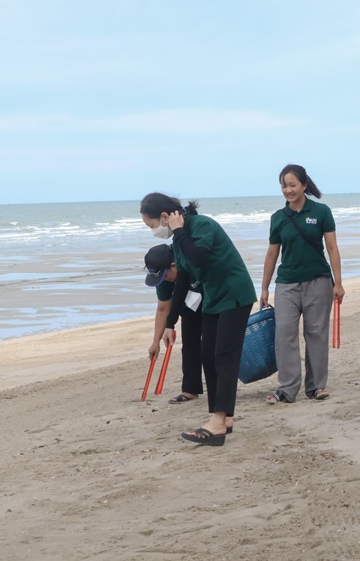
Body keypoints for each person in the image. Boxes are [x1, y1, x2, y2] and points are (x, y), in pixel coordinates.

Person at [140, 193, 257, 446]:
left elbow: (199, 258)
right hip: (214, 298)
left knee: (224, 355)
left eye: (151, 225)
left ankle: (218, 419)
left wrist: (179, 232)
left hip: (235, 293)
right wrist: (170, 324)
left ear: (165, 217)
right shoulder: (177, 240)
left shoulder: (202, 225)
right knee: (207, 355)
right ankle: (224, 419)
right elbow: (182, 281)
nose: (153, 231)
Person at [260, 165, 344, 404]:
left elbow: (332, 248)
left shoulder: (321, 212)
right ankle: (287, 389)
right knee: (284, 333)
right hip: (286, 284)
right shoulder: (278, 218)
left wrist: (338, 283)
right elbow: (272, 254)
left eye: (292, 185)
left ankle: (316, 387)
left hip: (319, 281)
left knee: (316, 334)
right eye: (284, 186)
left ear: (304, 185)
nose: (288, 190)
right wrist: (264, 288)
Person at [143, 243, 204, 404]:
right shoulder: (164, 278)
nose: (165, 280)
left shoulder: (190, 260)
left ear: (173, 265)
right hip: (189, 303)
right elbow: (163, 309)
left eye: (165, 276)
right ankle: (190, 390)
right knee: (189, 343)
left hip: (212, 294)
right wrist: (155, 342)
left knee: (213, 344)